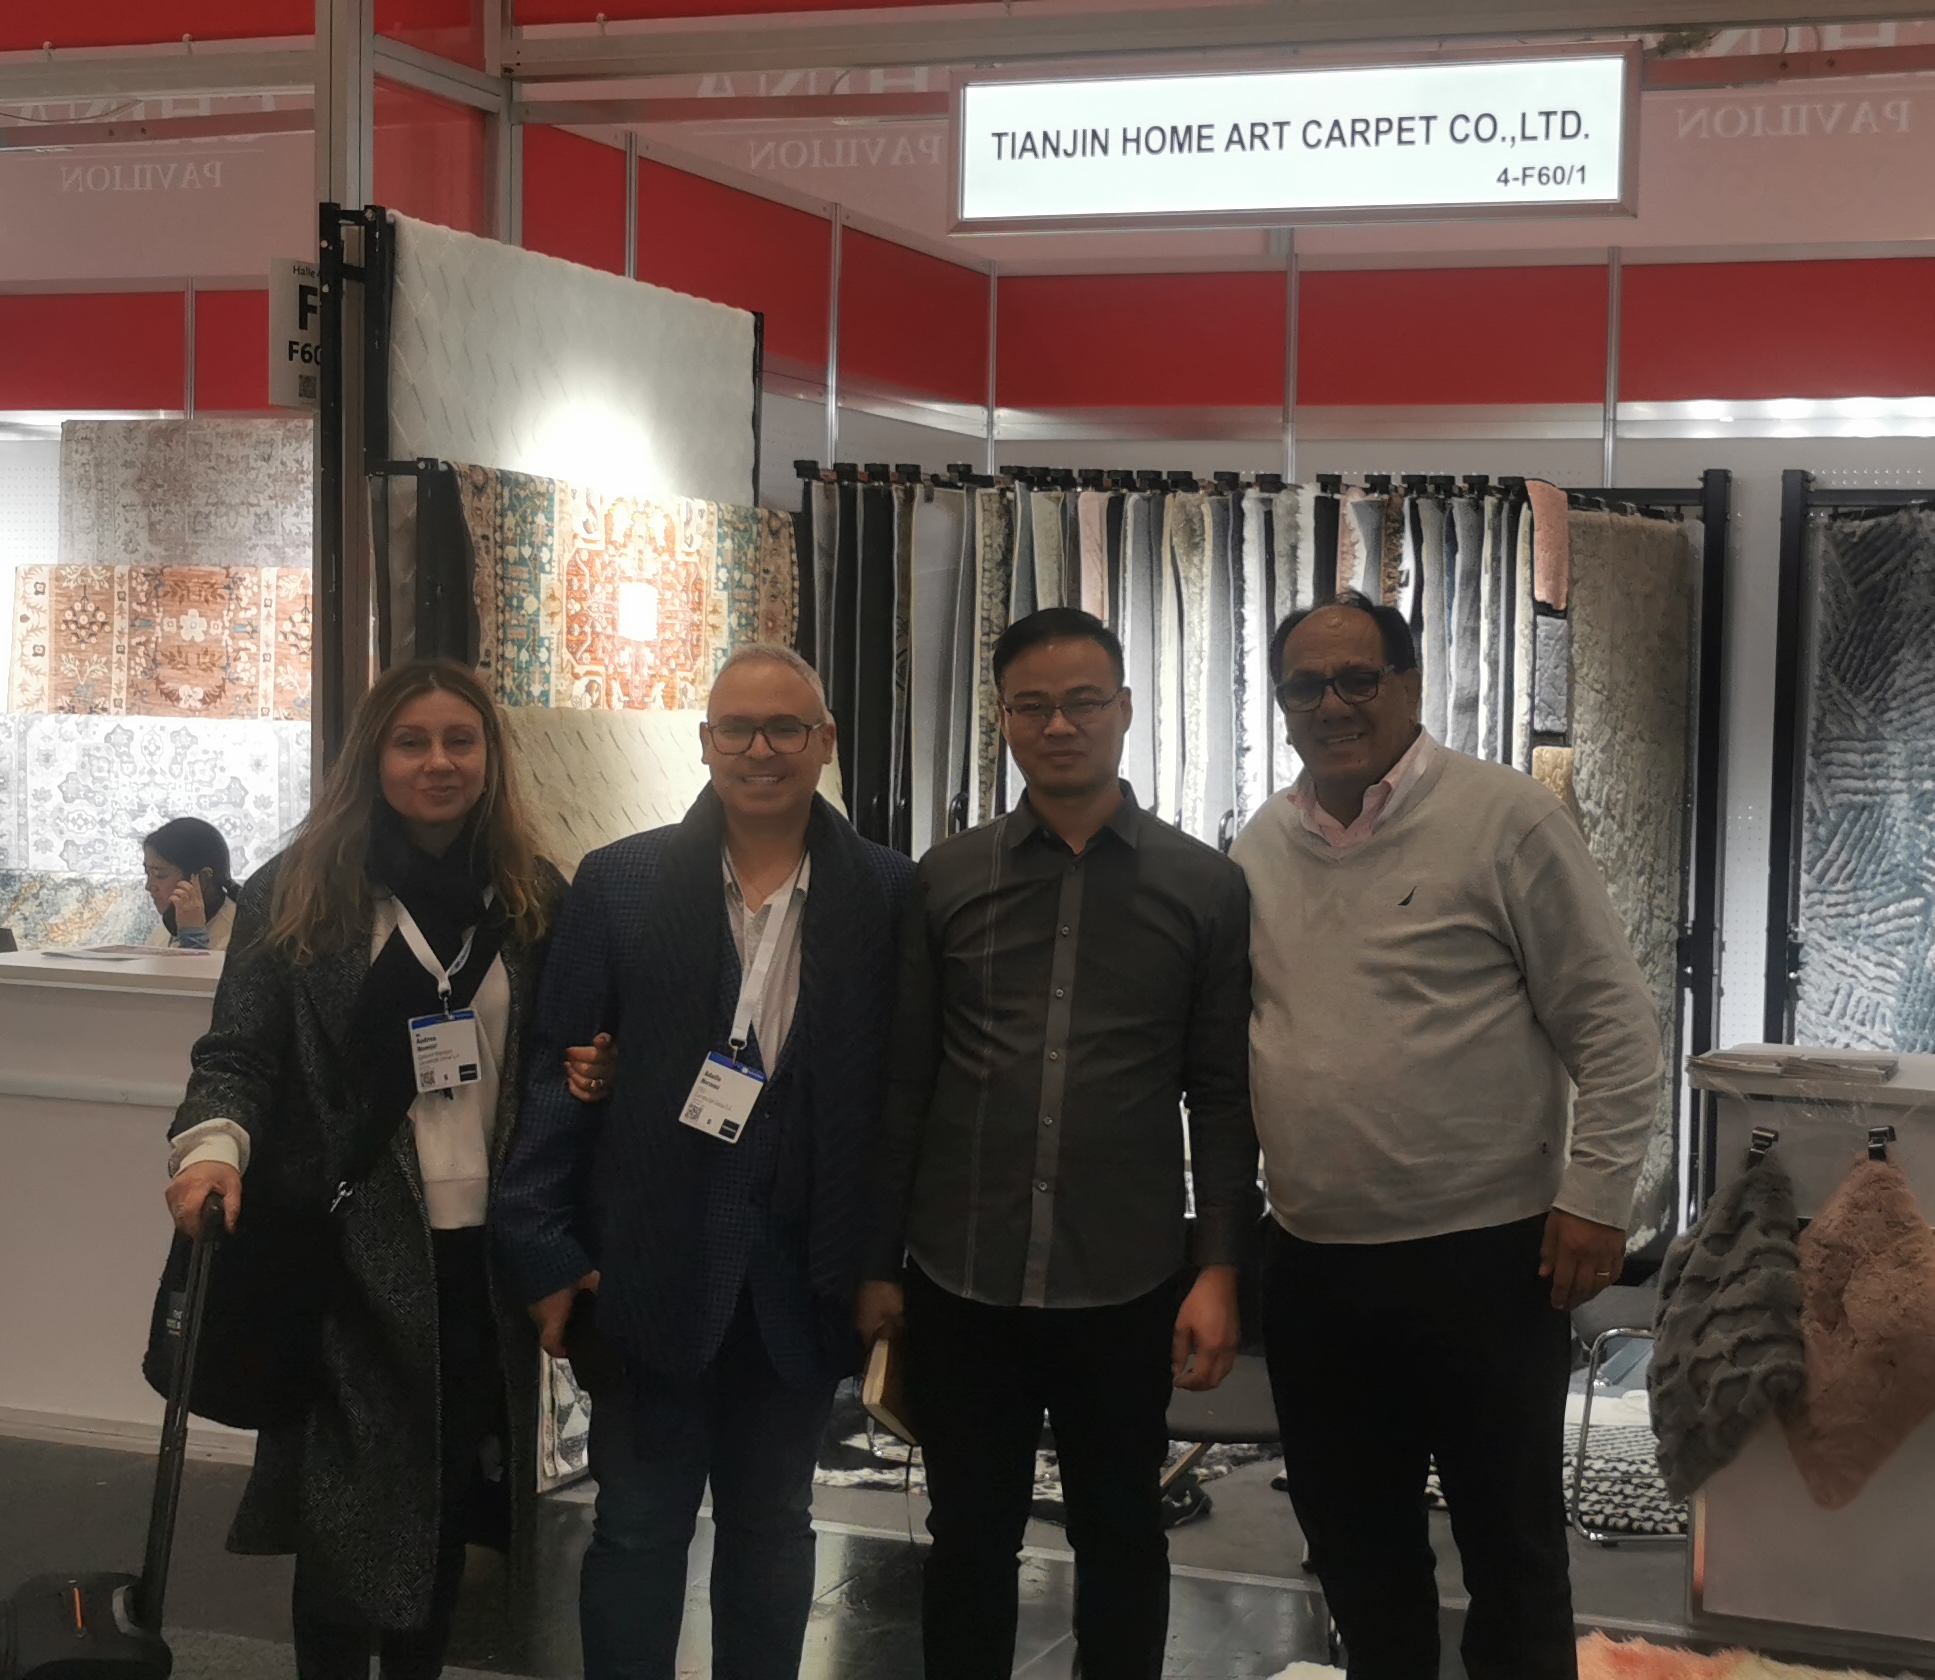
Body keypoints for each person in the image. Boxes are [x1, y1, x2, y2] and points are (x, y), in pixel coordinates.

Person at [1232, 592, 1665, 1680]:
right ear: (1280, 702)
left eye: (1357, 679)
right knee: (1355, 1549)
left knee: (1511, 1550)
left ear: (1411, 685)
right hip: (1317, 1265)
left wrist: (1598, 1196)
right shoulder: (1260, 847)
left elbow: (1614, 1027)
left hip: (1485, 1261)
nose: (1332, 704)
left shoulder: (1505, 819)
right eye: (1305, 686)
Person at [494, 644, 913, 1680]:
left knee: (774, 1527)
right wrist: (545, 1251)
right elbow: (556, 1071)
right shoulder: (621, 882)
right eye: (737, 729)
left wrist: (884, 1265)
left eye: (786, 728)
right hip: (648, 1267)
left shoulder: (888, 893)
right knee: (637, 1529)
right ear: (706, 742)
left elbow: (906, 1099)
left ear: (824, 741)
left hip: (803, 1275)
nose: (760, 749)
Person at [860, 605, 1256, 1680]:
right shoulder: (946, 878)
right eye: (1033, 706)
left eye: (1084, 702)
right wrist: (877, 1262)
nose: (1060, 725)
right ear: (1003, 720)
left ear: (1124, 709)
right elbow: (906, 1082)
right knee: (968, 1535)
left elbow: (1223, 1096)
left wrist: (1220, 1265)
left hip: (1124, 1275)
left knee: (1121, 1531)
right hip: (963, 1271)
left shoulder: (1206, 887)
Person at [159, 658, 565, 1680]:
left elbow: (558, 1056)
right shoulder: (298, 893)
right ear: (372, 758)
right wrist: (212, 1148)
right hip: (346, 1249)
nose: (438, 763)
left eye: (460, 741)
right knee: (343, 1510)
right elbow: (239, 1053)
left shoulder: (530, 897)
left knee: (446, 1503)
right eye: (411, 742)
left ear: (489, 758)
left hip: (484, 1258)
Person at [143, 815, 241, 951]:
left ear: (203, 879)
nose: (149, 886)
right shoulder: (167, 927)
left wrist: (193, 939)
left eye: (160, 875)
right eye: (147, 873)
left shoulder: (241, 934)